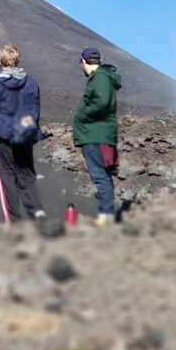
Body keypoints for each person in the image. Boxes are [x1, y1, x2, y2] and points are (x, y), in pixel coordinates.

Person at [0, 44, 44, 223]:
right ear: (17, 61)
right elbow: (35, 111)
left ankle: (14, 222)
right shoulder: (31, 83)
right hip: (24, 136)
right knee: (26, 175)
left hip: (2, 137)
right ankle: (37, 217)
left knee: (7, 177)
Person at [73, 46, 122, 225]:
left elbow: (101, 103)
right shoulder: (101, 78)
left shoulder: (100, 78)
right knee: (102, 175)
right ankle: (106, 214)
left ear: (83, 61)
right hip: (98, 133)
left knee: (100, 176)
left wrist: (83, 115)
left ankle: (106, 215)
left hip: (95, 133)